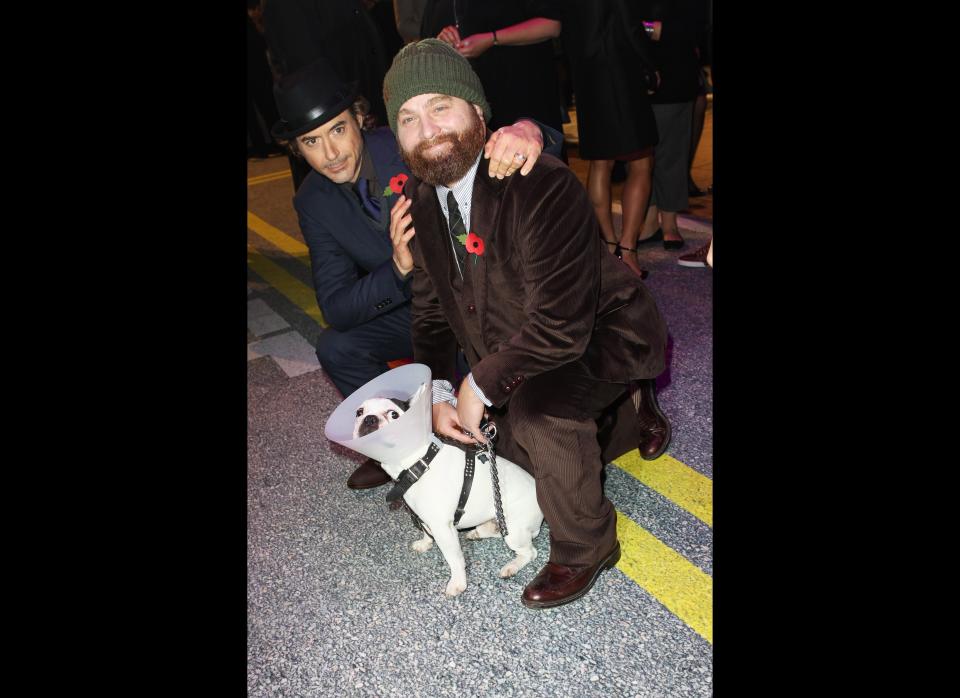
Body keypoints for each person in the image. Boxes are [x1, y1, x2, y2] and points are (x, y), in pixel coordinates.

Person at [382, 39, 671, 608]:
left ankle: (588, 547)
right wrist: (439, 389)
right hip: (519, 346)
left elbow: (562, 327)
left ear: (478, 113)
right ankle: (629, 418)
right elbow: (432, 312)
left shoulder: (542, 183)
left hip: (604, 332)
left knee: (540, 413)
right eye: (408, 118)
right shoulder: (418, 201)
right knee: (507, 452)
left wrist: (478, 383)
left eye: (441, 105)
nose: (427, 128)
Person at [270, 57, 559, 490]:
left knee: (530, 453)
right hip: (416, 309)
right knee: (337, 345)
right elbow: (337, 306)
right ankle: (400, 446)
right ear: (297, 149)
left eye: (338, 130)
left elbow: (478, 133)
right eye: (311, 141)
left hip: (485, 303)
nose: (330, 154)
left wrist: (532, 131)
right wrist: (397, 268)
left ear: (360, 119)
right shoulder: (313, 201)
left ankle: (622, 407)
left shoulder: (405, 143)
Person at [562, 0, 660, 279]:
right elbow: (629, 23)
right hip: (620, 70)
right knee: (642, 161)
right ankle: (627, 250)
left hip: (586, 72)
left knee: (600, 162)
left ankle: (608, 246)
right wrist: (650, 65)